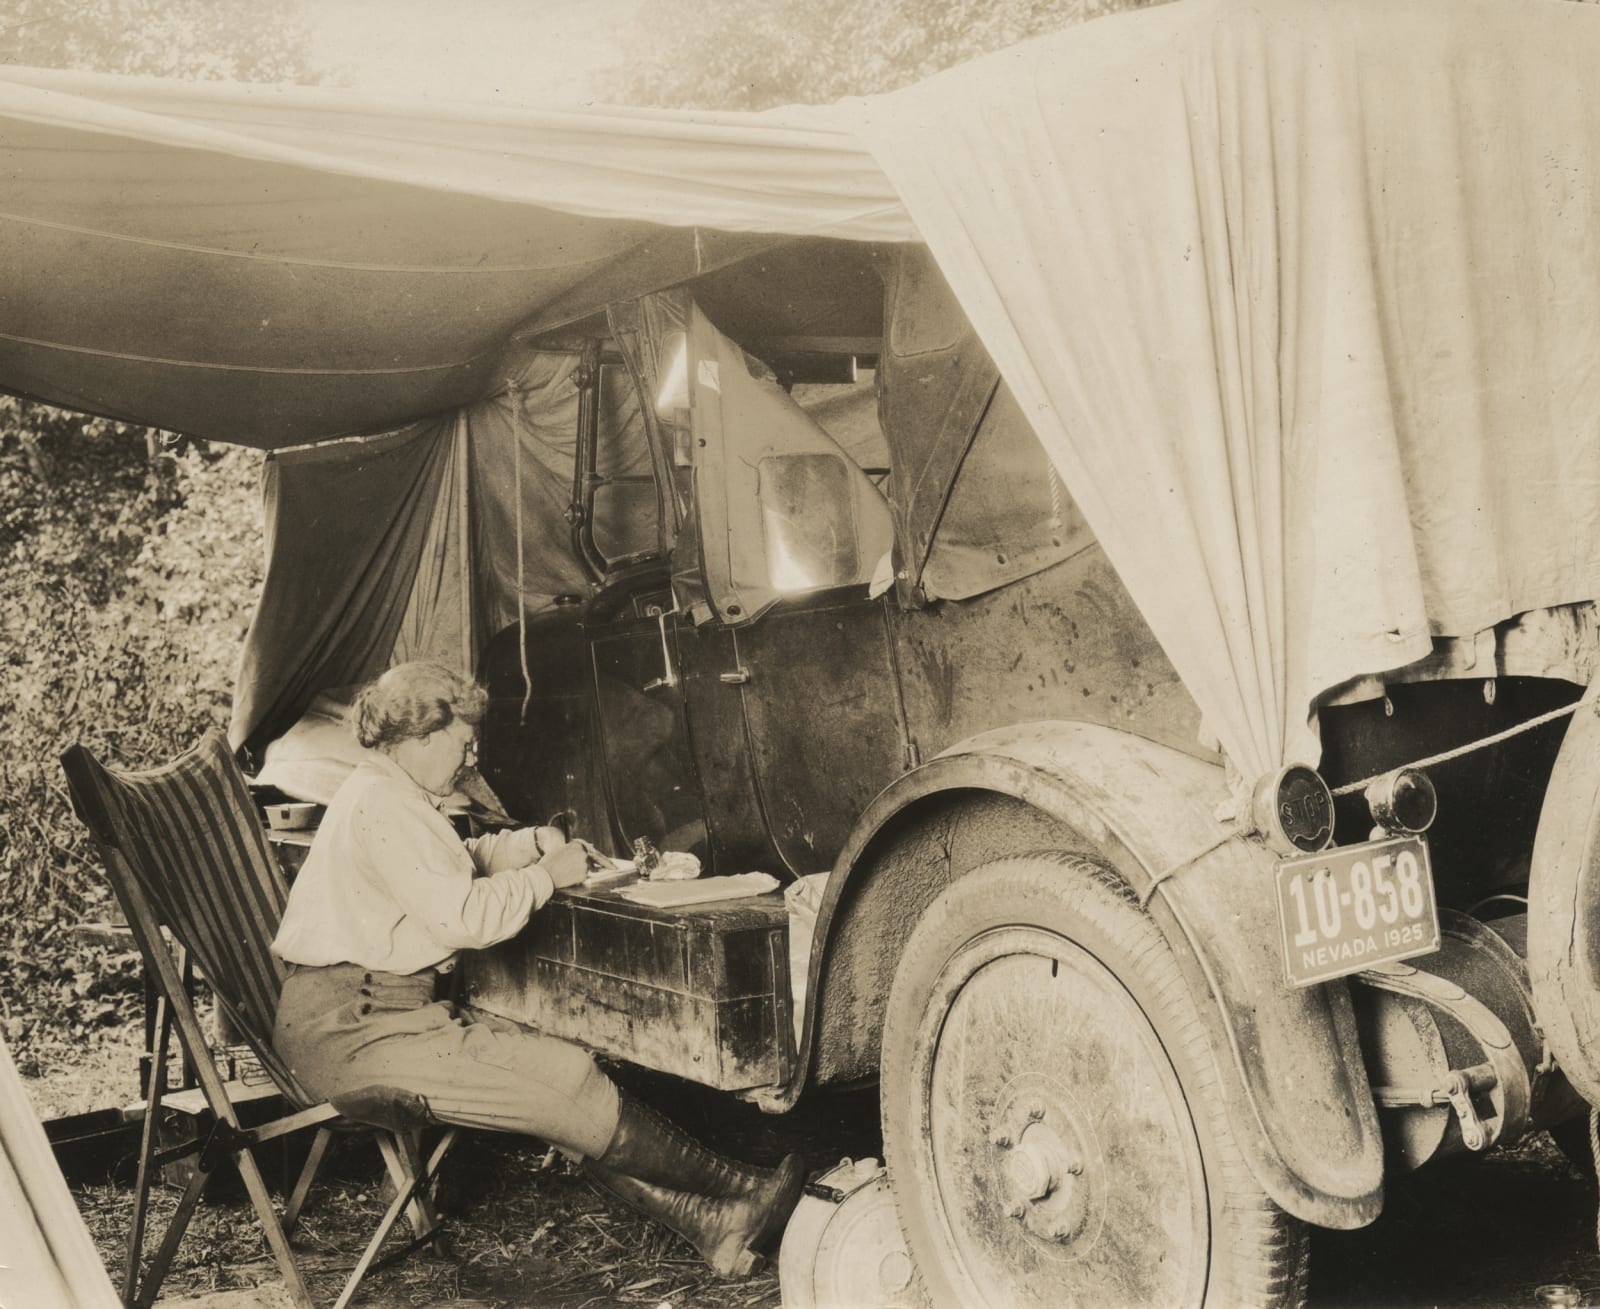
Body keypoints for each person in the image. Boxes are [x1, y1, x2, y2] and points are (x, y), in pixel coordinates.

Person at [270, 660, 802, 1279]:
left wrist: (527, 845)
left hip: (369, 1014)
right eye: (464, 743)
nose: (470, 758)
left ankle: (714, 1223)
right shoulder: (383, 804)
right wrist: (546, 879)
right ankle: (742, 1188)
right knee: (563, 1075)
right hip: (353, 1032)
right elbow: (463, 917)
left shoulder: (388, 792)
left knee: (544, 1075)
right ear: (420, 739)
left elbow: (451, 863)